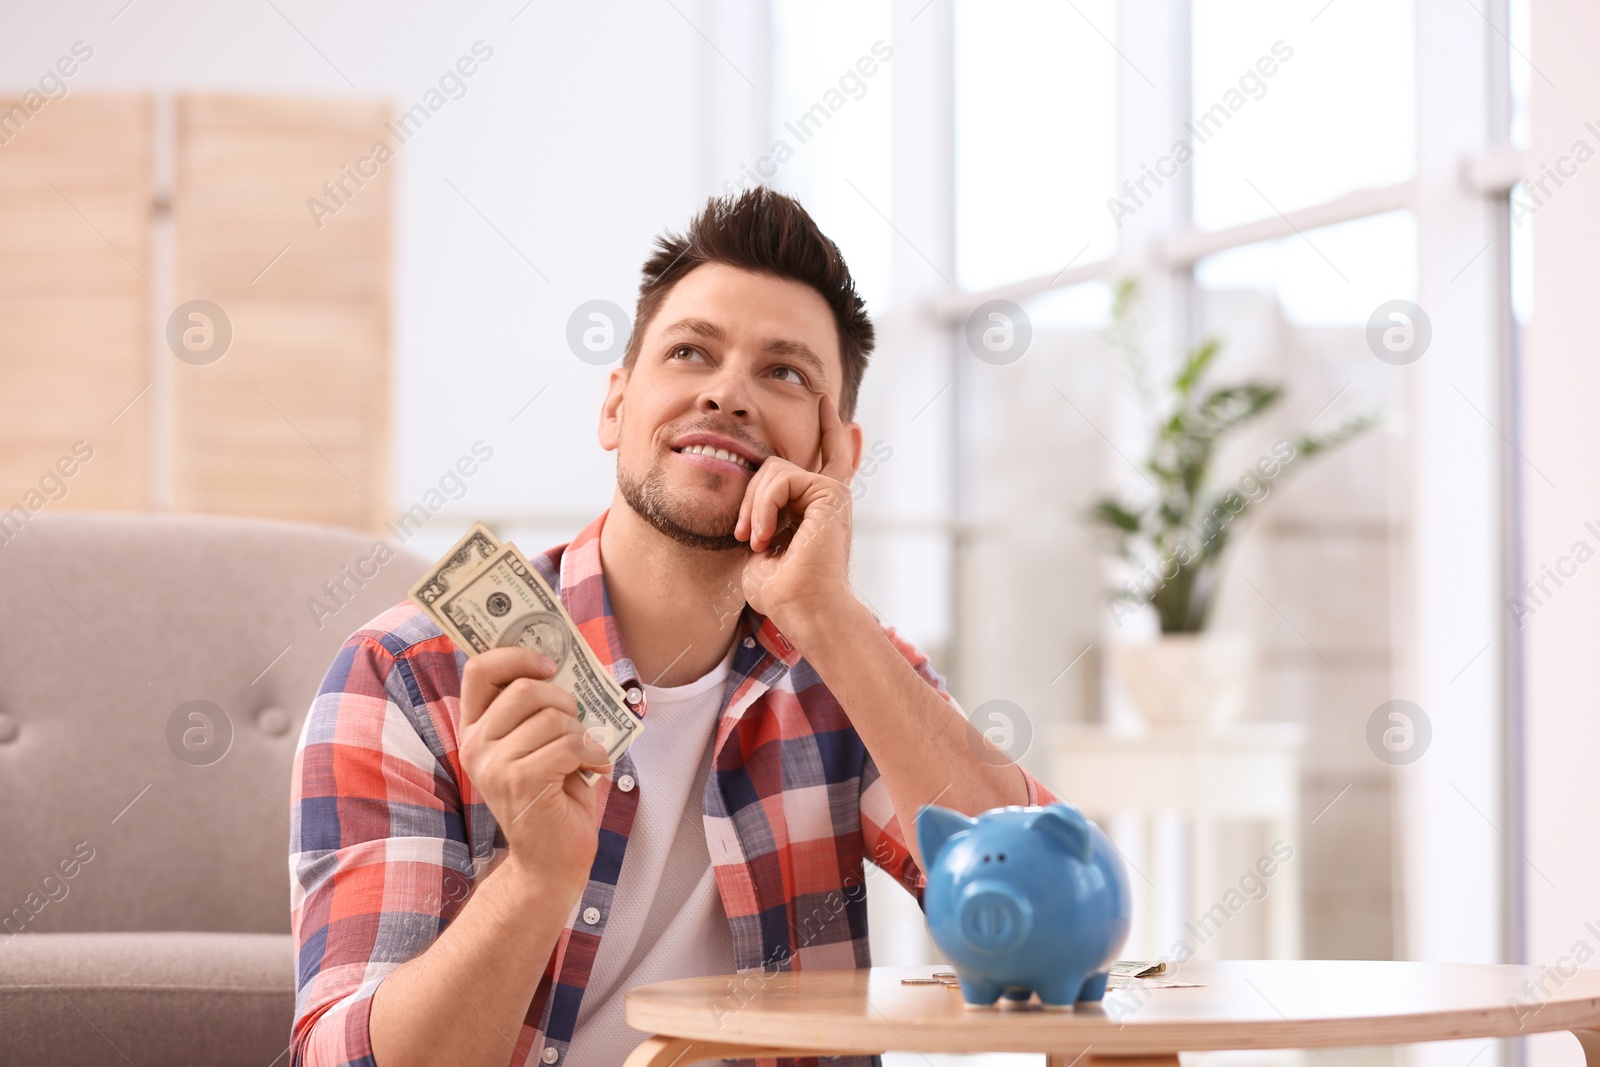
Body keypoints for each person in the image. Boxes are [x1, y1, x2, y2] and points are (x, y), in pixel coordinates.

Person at [289, 187, 1058, 1067]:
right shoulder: (405, 673)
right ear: (616, 406)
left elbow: (1048, 933)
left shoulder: (848, 668)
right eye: (691, 352)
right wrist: (538, 876)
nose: (728, 394)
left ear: (836, 455)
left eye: (786, 373)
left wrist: (829, 615)